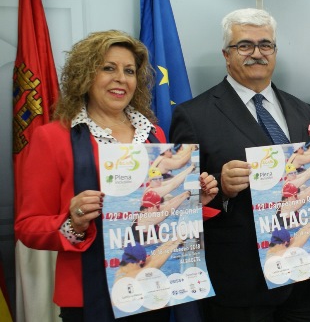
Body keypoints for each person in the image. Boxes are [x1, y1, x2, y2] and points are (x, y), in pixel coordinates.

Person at [13, 30, 218, 322]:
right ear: (84, 76)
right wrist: (74, 222)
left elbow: (160, 209)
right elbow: (27, 227)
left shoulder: (154, 135)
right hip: (90, 297)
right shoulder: (52, 138)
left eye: (129, 71)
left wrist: (195, 198)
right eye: (108, 68)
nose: (121, 78)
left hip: (154, 288)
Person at [169, 8, 310, 321]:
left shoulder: (301, 109)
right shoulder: (193, 115)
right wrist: (221, 188)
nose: (257, 53)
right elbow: (176, 207)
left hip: (308, 273)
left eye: (266, 45)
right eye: (244, 45)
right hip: (242, 284)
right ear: (226, 54)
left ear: (275, 52)